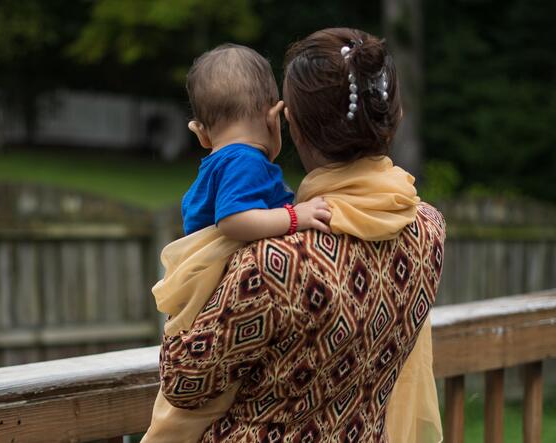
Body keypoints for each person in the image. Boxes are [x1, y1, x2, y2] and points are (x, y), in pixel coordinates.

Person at [155, 27, 445, 442]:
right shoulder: (428, 229)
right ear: (394, 116)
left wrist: (190, 277)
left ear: (291, 126)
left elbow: (183, 379)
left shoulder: (274, 262)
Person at [142, 44, 330, 443]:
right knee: (193, 413)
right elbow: (233, 220)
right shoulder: (243, 159)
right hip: (213, 292)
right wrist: (297, 217)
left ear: (201, 133)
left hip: (206, 296)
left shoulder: (224, 160)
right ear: (273, 115)